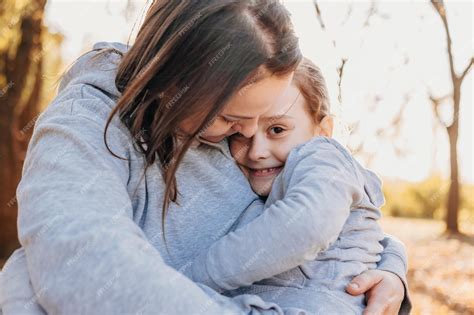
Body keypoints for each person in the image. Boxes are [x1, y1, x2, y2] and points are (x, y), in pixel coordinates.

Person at [0, 1, 410, 314]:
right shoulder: (85, 127)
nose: (250, 136)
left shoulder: (230, 133)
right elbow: (81, 262)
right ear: (178, 82)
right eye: (234, 117)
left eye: (268, 123)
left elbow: (314, 215)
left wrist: (392, 264)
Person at [188, 58, 406, 314]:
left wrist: (192, 277)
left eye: (277, 129)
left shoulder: (324, 155)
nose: (256, 151)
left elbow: (308, 224)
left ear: (323, 130)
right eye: (240, 135)